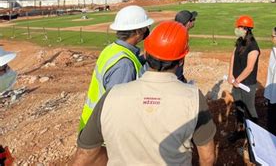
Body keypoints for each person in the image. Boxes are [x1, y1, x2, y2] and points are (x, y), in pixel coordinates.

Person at [72, 21, 216, 165]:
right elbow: (207, 157)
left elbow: (85, 154)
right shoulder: (193, 98)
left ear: (146, 54)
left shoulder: (111, 95)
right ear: (180, 60)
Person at [78, 5, 154, 131]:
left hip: (92, 122)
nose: (147, 30)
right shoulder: (124, 64)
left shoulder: (113, 49)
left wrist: (143, 58)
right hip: (102, 133)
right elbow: (117, 108)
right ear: (138, 31)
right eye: (145, 27)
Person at [226, 15, 260, 143]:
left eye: (240, 27)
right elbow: (233, 56)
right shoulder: (240, 40)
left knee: (250, 109)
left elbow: (250, 68)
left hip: (247, 84)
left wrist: (237, 81)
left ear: (247, 29)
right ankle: (240, 132)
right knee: (239, 107)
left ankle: (254, 135)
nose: (237, 29)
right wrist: (230, 75)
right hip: (237, 82)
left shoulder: (253, 47)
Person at [174, 10, 198, 82]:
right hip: (175, 76)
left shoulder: (178, 32)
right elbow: (177, 60)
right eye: (193, 19)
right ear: (188, 23)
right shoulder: (181, 36)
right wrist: (180, 78)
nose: (194, 21)